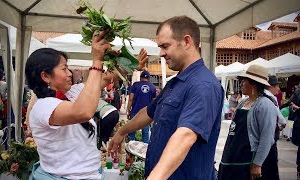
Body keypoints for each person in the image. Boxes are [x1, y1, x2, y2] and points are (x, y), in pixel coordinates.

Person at [109, 16, 224, 179]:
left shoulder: (203, 85)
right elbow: (149, 112)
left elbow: (185, 136)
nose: (161, 53)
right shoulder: (175, 83)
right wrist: (122, 131)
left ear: (186, 41)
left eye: (165, 46)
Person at [25, 32, 148, 179]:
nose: (69, 73)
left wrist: (132, 65)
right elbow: (83, 112)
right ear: (45, 76)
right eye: (64, 69)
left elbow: (105, 78)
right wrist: (96, 61)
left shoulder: (73, 92)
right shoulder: (42, 107)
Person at [218, 65, 278, 180]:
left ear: (253, 84)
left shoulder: (265, 105)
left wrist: (257, 164)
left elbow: (267, 137)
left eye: (244, 81)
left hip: (248, 158)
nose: (241, 84)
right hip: (234, 155)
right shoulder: (243, 102)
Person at [127, 70, 156, 143]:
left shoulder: (135, 85)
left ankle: (130, 151)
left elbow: (131, 99)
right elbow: (154, 102)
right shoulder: (153, 87)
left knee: (132, 131)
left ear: (140, 77)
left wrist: (128, 110)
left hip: (135, 111)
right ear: (149, 78)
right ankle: (144, 152)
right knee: (145, 133)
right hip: (146, 113)